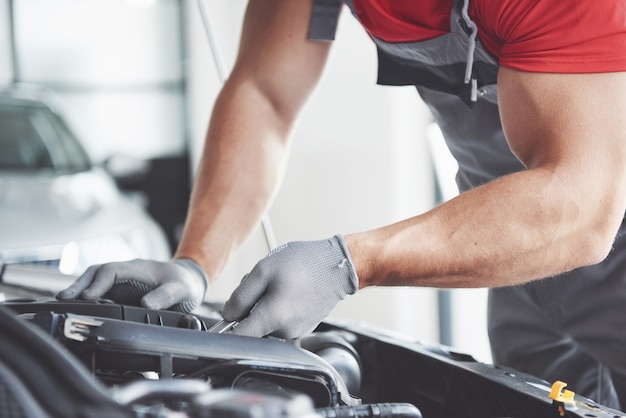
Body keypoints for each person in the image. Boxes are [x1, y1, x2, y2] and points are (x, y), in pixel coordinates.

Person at [57, 0, 626, 410]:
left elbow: (582, 204)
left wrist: (348, 262)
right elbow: (264, 91)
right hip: (514, 244)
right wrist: (194, 262)